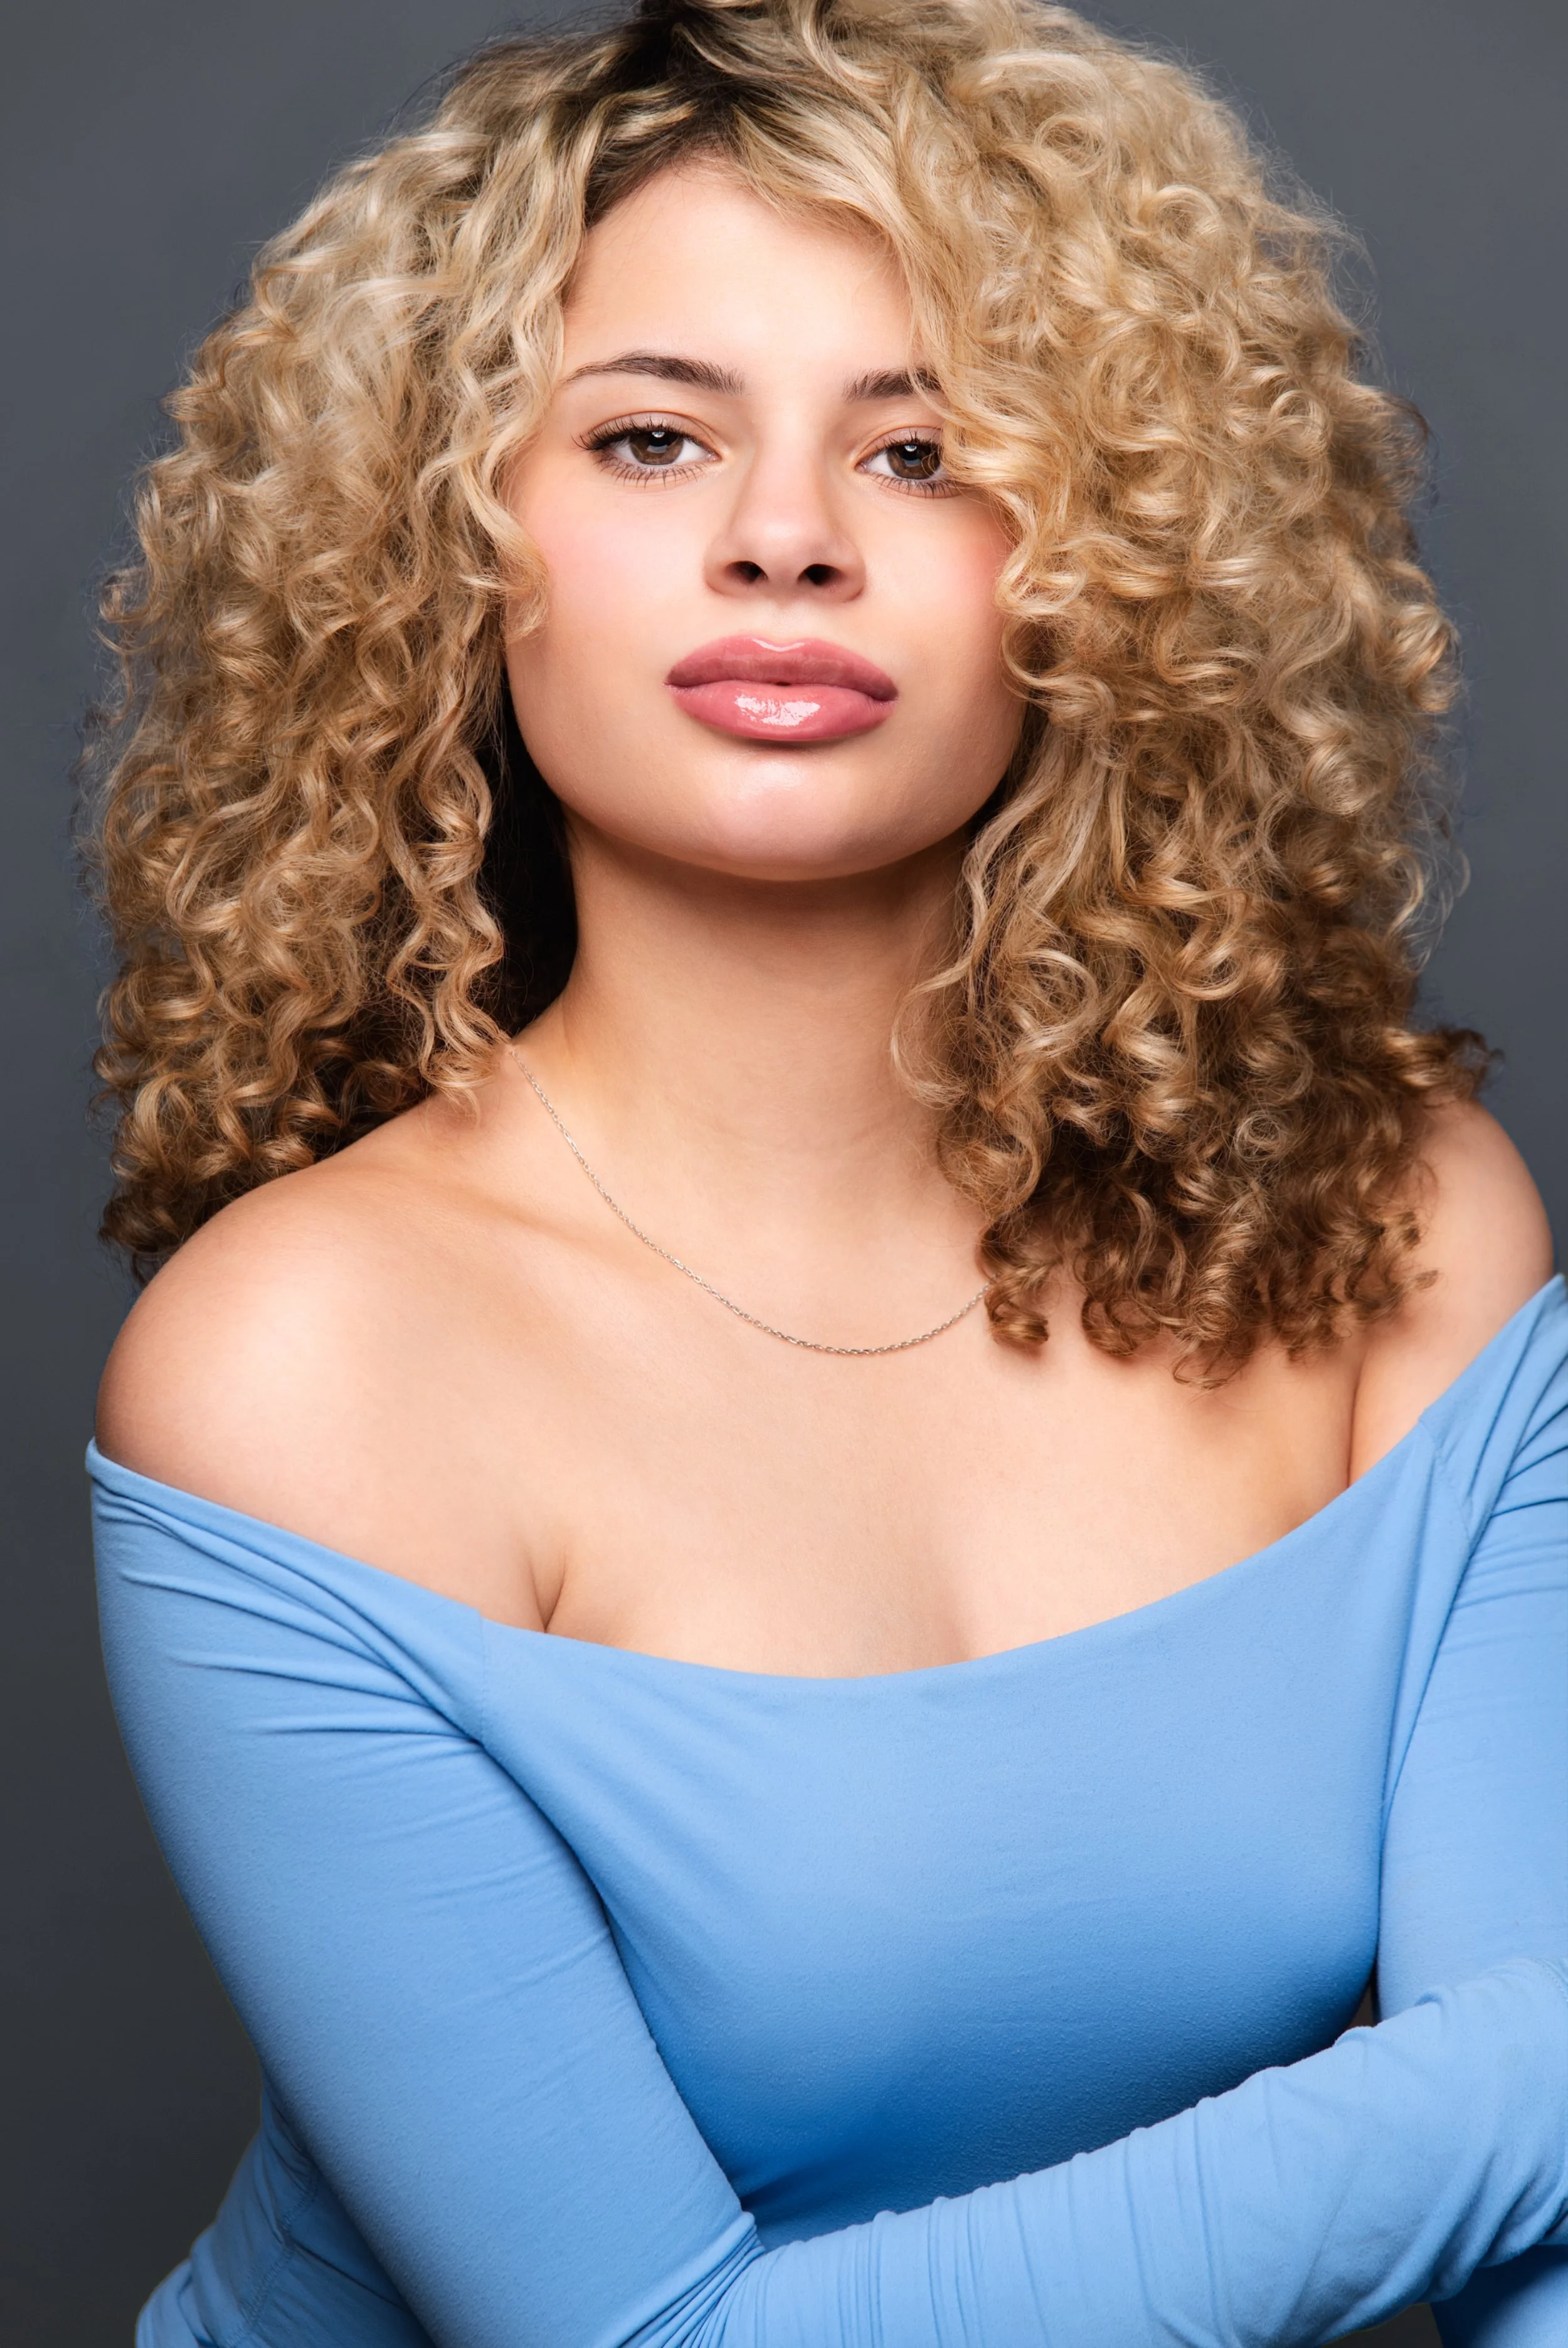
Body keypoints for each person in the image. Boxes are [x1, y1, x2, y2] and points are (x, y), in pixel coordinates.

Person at [85, 0, 1566, 2340]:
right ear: (456, 550)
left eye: (924, 452)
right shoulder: (307, 1361)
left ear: (1108, 560)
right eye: (653, 438)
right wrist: (1513, 2093)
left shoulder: (1402, 1228)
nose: (783, 543)